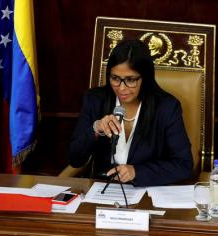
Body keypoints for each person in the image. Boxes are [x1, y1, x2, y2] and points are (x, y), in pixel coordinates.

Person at [67, 39, 193, 187]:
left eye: (130, 80)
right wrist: (96, 128)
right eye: (115, 78)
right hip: (102, 191)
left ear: (145, 78)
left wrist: (137, 171)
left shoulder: (166, 107)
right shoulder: (95, 100)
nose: (121, 88)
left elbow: (183, 165)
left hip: (147, 193)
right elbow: (75, 159)